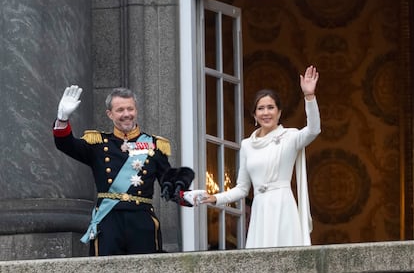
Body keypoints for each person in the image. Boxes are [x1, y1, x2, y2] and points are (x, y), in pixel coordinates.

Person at [53, 86, 190, 256]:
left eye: (130, 108)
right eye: (120, 110)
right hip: (109, 219)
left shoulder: (154, 145)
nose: (126, 114)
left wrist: (185, 194)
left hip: (141, 220)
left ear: (136, 110)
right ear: (110, 114)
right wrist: (63, 118)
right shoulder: (98, 144)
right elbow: (66, 144)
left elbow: (167, 181)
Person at [199, 65, 321, 248]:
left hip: (282, 205)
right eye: (261, 108)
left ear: (279, 112)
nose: (266, 112)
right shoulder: (247, 145)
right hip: (260, 209)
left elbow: (313, 130)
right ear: (254, 115)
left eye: (271, 107)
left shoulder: (289, 137)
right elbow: (242, 189)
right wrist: (216, 198)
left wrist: (309, 97)